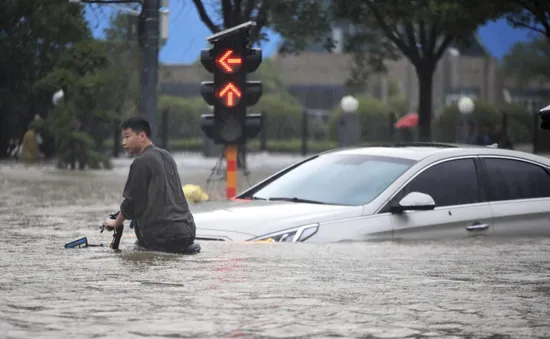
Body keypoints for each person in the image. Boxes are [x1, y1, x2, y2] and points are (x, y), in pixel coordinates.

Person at [102, 116, 197, 253]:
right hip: (188, 231)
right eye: (122, 138)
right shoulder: (167, 155)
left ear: (142, 136)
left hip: (161, 237)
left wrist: (116, 222)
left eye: (127, 137)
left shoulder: (141, 161)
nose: (123, 142)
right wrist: (121, 214)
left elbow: (132, 202)